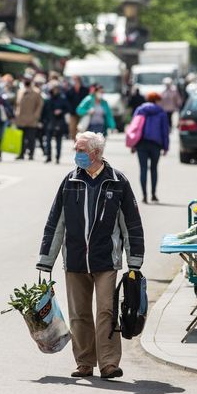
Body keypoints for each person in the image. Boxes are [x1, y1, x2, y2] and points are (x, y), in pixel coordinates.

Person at [36, 131, 145, 380]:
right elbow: (56, 223)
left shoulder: (117, 182)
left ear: (96, 153)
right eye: (76, 149)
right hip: (74, 260)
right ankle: (84, 362)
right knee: (79, 314)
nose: (77, 154)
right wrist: (46, 259)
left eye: (81, 150)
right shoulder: (70, 181)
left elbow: (132, 224)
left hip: (106, 259)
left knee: (106, 311)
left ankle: (108, 363)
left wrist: (134, 260)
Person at [131, 92, 169, 203]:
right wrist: (165, 146)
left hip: (141, 143)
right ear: (156, 100)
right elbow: (164, 131)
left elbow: (134, 127)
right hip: (156, 144)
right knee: (154, 169)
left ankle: (144, 195)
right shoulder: (161, 112)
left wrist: (133, 144)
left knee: (143, 169)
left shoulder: (140, 110)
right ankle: (153, 194)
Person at [14, 79, 44, 160]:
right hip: (20, 119)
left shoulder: (36, 92)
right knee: (20, 138)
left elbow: (40, 105)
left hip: (31, 119)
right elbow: (17, 104)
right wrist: (16, 114)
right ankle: (21, 154)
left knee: (31, 138)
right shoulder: (20, 91)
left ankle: (31, 154)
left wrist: (36, 116)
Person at [42, 84, 70, 164]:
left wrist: (61, 111)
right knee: (47, 141)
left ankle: (57, 157)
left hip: (59, 122)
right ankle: (48, 157)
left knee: (58, 141)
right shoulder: (48, 99)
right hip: (49, 122)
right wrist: (41, 121)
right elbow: (43, 111)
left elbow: (68, 108)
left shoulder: (62, 99)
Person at [66, 76, 89, 140]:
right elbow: (67, 101)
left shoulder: (85, 90)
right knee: (72, 128)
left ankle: (81, 143)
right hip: (73, 112)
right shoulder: (70, 90)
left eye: (76, 80)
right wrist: (69, 110)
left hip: (82, 113)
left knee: (82, 128)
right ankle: (75, 142)